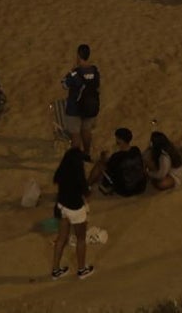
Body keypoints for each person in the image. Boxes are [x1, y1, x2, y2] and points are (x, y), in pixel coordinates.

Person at [50, 147, 93, 281]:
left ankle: (56, 270)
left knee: (61, 239)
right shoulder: (78, 175)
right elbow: (86, 193)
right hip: (76, 210)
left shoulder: (61, 172)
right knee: (81, 239)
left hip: (62, 207)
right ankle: (81, 270)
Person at [62, 45, 101, 159]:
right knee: (86, 131)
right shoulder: (94, 71)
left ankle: (75, 159)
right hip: (90, 107)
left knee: (75, 135)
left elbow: (64, 84)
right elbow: (97, 86)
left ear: (78, 56)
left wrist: (71, 71)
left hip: (75, 109)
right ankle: (87, 153)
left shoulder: (75, 73)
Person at [87, 127, 147, 197]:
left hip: (125, 190)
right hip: (140, 187)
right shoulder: (136, 149)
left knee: (99, 165)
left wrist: (103, 157)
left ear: (120, 140)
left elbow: (108, 167)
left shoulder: (117, 156)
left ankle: (87, 186)